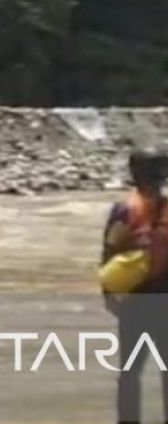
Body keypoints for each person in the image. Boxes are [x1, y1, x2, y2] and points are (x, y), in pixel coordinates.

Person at [102, 147, 168, 424]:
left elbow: (109, 251)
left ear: (133, 173)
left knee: (130, 373)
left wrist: (108, 294)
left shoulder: (125, 210)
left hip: (135, 302)